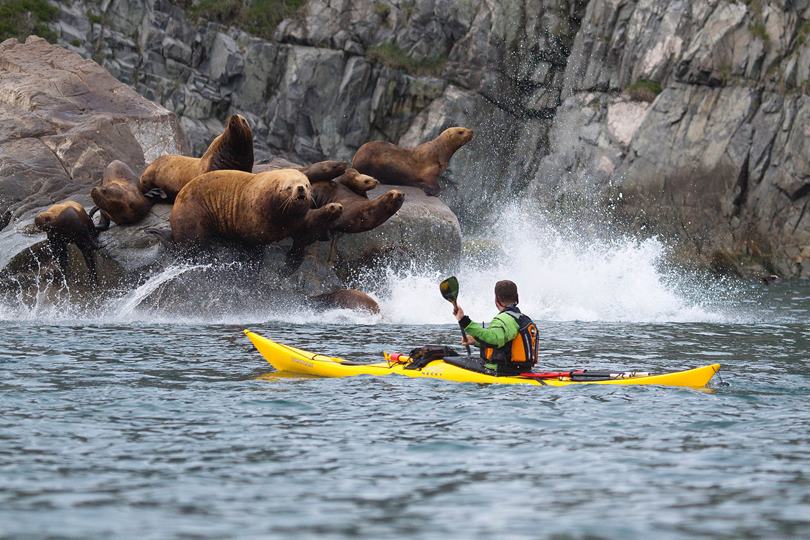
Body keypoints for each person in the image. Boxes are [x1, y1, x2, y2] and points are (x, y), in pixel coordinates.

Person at [452, 280, 539, 375]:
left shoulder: (504, 319)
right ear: (517, 297)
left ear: (497, 299)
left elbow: (494, 339)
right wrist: (475, 341)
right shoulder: (523, 318)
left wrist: (463, 320)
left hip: (503, 372)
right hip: (521, 371)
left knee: (447, 359)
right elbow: (506, 343)